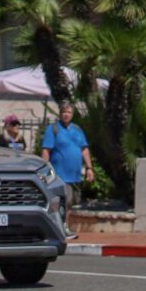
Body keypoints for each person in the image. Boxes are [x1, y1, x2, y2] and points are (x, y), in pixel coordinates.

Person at [42, 100, 94, 240]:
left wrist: (89, 168)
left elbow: (84, 149)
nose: (66, 115)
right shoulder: (53, 129)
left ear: (73, 114)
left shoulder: (77, 130)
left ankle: (63, 226)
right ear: (60, 113)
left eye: (69, 112)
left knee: (70, 202)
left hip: (74, 174)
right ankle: (60, 227)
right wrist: (45, 170)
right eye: (64, 112)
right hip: (60, 174)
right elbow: (46, 150)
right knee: (62, 201)